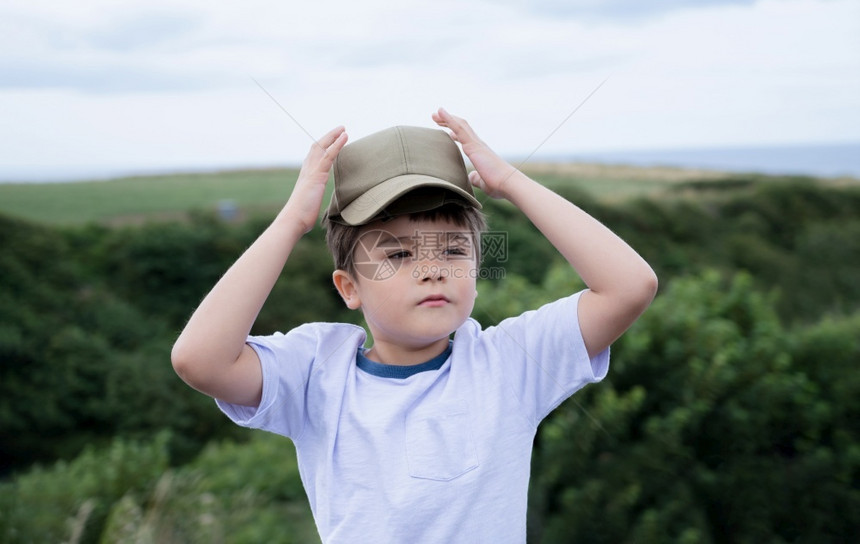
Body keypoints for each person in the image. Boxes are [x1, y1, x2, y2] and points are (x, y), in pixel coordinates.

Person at [171, 108, 658, 543]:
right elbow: (200, 360)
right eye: (399, 254)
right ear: (348, 288)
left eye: (452, 249)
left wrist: (509, 180)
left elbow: (629, 286)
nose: (433, 268)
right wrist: (291, 223)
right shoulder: (317, 371)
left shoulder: (508, 362)